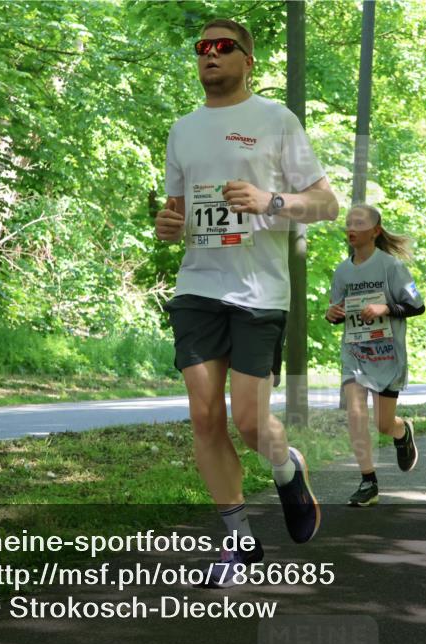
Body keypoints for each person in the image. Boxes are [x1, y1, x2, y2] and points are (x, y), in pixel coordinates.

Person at [154, 18, 339, 585]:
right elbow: (178, 211)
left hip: (260, 292)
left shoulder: (276, 120)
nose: (209, 56)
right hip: (198, 286)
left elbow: (327, 204)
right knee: (205, 417)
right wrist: (167, 224)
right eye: (201, 48)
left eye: (222, 47)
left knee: (251, 422)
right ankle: (239, 544)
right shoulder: (182, 130)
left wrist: (270, 199)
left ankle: (287, 469)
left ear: (247, 60)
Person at [325, 205, 425, 507]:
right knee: (355, 413)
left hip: (387, 355)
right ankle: (368, 482)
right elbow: (338, 311)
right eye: (348, 224)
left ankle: (400, 430)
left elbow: (417, 305)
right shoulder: (342, 271)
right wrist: (332, 314)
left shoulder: (392, 267)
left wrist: (386, 308)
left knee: (382, 424)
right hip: (355, 354)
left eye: (359, 223)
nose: (351, 228)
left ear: (375, 230)